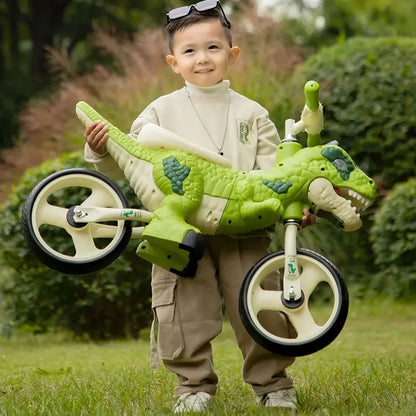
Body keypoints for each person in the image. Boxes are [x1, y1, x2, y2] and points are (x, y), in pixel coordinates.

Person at [84, 1, 314, 412]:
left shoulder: (252, 113)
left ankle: (273, 384)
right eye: (189, 51)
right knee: (182, 307)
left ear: (232, 53)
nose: (202, 58)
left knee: (258, 302)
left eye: (213, 47)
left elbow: (274, 171)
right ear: (173, 62)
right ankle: (193, 387)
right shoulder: (159, 111)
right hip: (181, 230)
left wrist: (295, 203)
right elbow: (131, 160)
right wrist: (100, 147)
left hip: (243, 228)